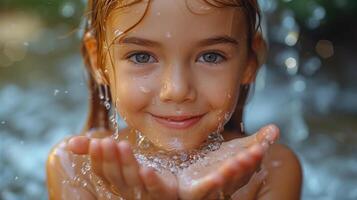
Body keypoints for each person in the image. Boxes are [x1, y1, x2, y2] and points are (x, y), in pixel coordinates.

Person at [46, 0, 302, 199]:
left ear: (249, 61)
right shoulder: (75, 168)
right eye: (142, 57)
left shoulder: (272, 171)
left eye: (211, 56)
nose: (177, 90)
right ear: (99, 62)